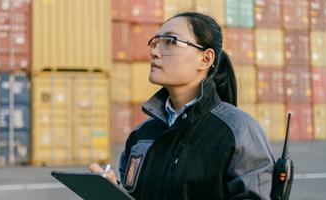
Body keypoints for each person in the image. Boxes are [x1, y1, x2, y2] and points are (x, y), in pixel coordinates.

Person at [89, 12, 275, 199]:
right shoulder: (141, 136)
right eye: (155, 42)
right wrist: (113, 190)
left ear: (205, 59)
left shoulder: (238, 131)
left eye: (170, 41)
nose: (154, 52)